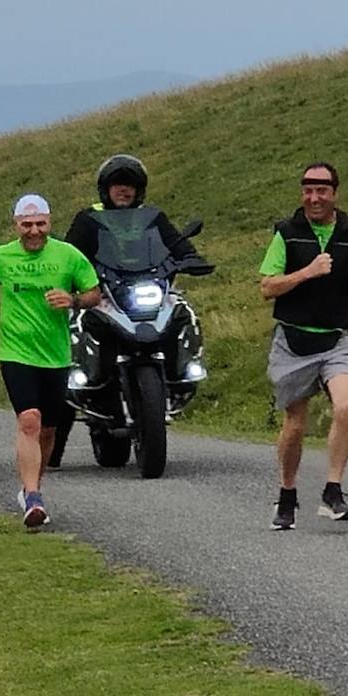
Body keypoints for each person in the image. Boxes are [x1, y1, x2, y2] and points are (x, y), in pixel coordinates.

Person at [49, 153, 211, 467]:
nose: (124, 191)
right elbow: (71, 253)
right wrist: (67, 273)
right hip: (105, 291)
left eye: (130, 185)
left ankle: (184, 370)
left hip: (146, 288)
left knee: (183, 310)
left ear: (140, 189)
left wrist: (190, 257)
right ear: (105, 189)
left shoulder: (152, 216)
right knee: (74, 328)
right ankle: (56, 439)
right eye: (117, 185)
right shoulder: (89, 219)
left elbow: (175, 243)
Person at [259, 163, 348, 529]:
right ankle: (287, 494)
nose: (314, 197)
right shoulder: (286, 233)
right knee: (295, 424)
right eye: (307, 189)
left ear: (335, 192)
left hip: (339, 338)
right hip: (294, 340)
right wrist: (307, 272)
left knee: (347, 406)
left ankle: (332, 491)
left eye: (321, 190)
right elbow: (267, 286)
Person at [0, 194, 100, 527]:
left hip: (55, 354)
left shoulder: (68, 255)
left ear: (49, 222)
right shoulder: (0, 257)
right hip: (15, 351)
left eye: (40, 224)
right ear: (16, 225)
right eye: (26, 225)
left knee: (48, 429)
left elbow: (93, 294)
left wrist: (72, 300)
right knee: (29, 420)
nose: (34, 231)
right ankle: (32, 497)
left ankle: (33, 487)